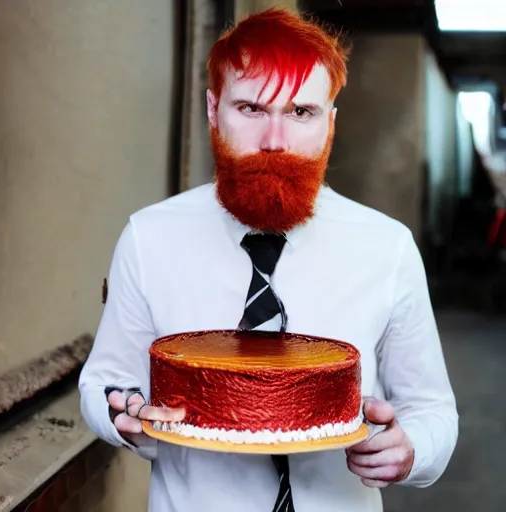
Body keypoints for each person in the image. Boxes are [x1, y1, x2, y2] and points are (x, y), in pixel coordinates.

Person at [79, 8, 458, 512]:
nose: (274, 141)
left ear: (331, 123)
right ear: (214, 110)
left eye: (301, 112)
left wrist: (412, 450)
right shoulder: (149, 238)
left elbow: (432, 410)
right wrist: (121, 416)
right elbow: (102, 382)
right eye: (252, 108)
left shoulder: (387, 248)